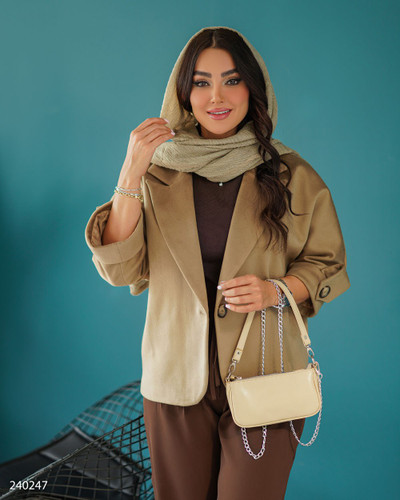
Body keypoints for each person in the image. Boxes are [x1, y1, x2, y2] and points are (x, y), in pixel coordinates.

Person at [85, 26, 350, 500]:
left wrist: (275, 290)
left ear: (253, 87)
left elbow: (327, 263)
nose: (217, 97)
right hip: (175, 378)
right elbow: (120, 269)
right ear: (184, 94)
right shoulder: (157, 172)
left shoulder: (292, 173)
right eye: (201, 83)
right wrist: (131, 169)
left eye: (231, 80)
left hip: (267, 370)